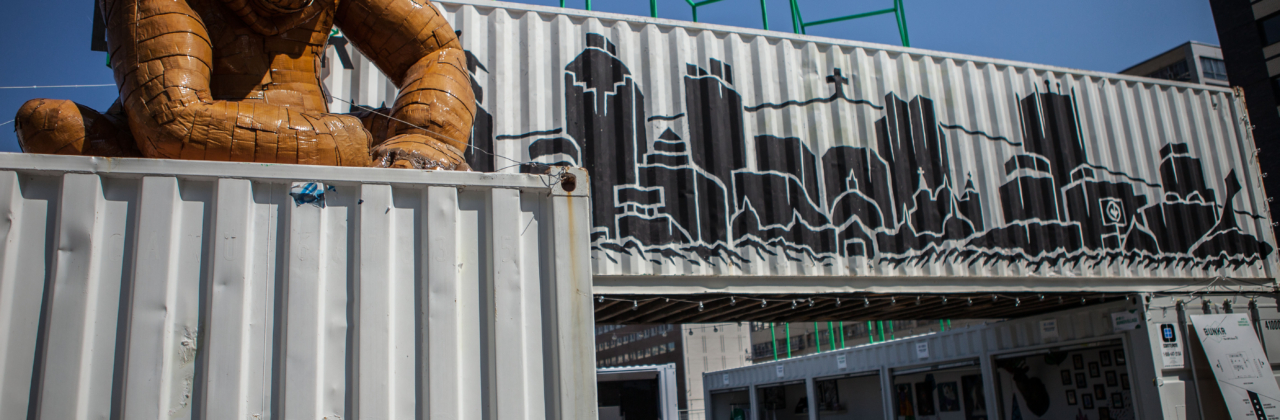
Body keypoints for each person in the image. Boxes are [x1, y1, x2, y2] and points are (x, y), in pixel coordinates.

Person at [15, 0, 474, 170]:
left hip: (317, 139)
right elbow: (173, 125)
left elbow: (434, 50)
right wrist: (353, 143)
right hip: (193, 148)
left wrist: (425, 138)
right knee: (50, 124)